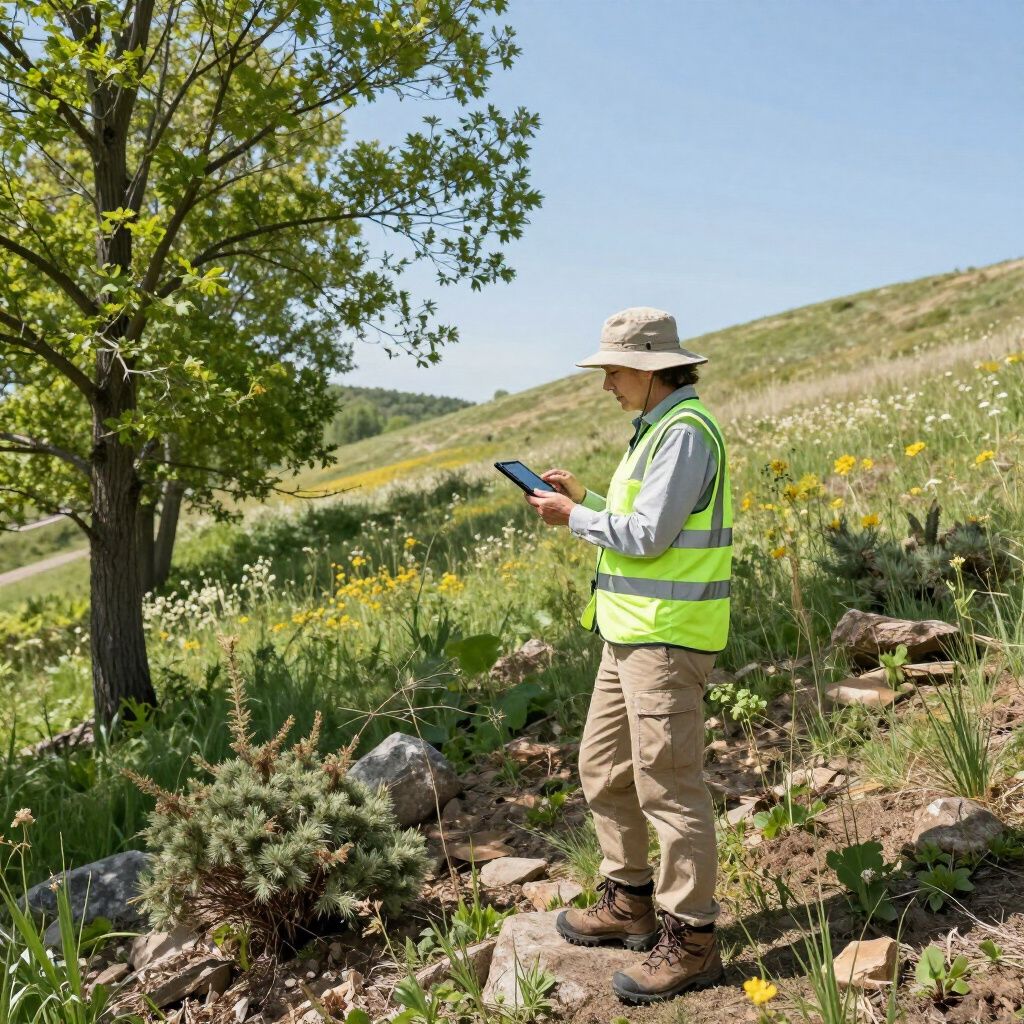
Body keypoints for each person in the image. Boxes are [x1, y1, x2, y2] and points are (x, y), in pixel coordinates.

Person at [525, 306, 732, 1004]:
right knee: (604, 767)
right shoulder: (656, 432)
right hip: (630, 633)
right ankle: (629, 902)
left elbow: (646, 536)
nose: (607, 384)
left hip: (666, 639)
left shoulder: (684, 433)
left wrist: (572, 518)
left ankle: (692, 941)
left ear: (647, 369)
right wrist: (583, 496)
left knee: (669, 786)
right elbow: (646, 516)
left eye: (613, 370)